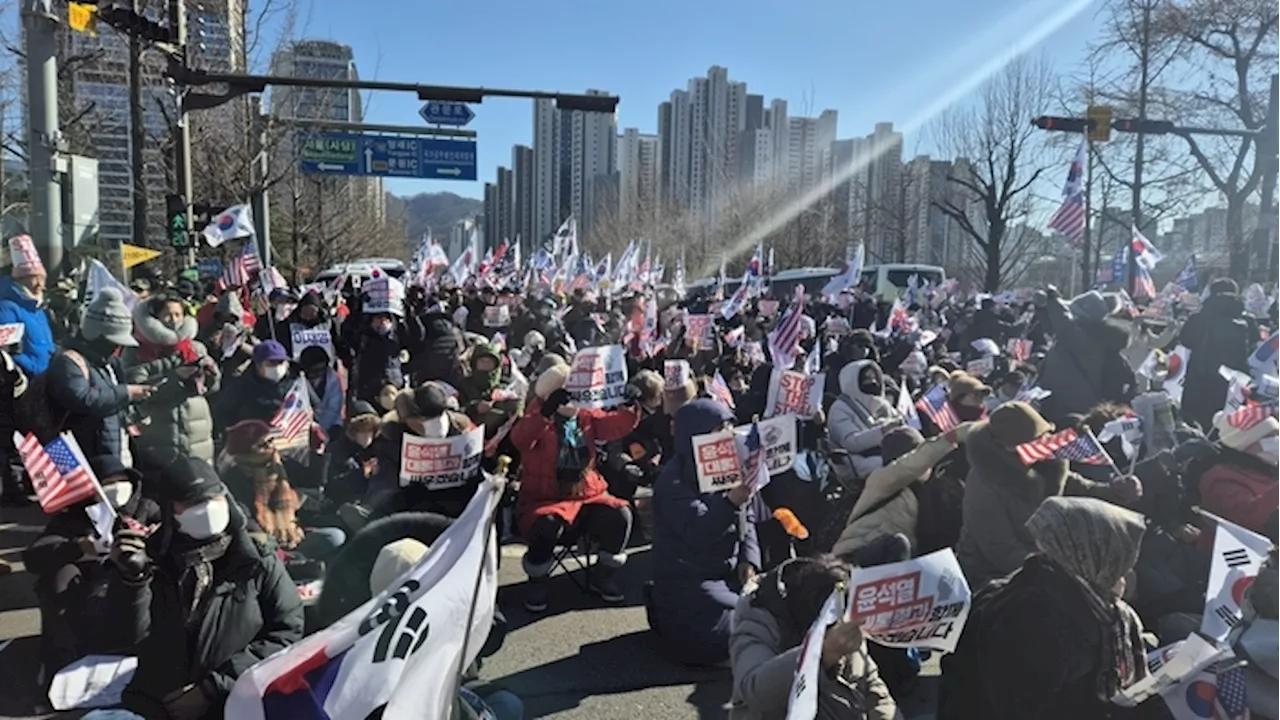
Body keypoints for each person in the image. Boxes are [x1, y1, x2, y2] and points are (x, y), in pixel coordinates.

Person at [96, 457, 304, 719]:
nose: (206, 508)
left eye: (213, 498)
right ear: (171, 509)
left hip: (236, 701)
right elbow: (125, 639)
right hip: (160, 704)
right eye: (193, 502)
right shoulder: (153, 560)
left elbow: (287, 630)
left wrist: (213, 687)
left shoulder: (256, 560)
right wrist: (133, 581)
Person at [939, 497, 1154, 720]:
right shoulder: (1030, 616)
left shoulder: (1090, 600)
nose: (1123, 576)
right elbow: (1020, 708)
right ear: (1091, 555)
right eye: (1116, 563)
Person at [956, 401, 1143, 590]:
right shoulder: (983, 487)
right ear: (1009, 447)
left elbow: (1075, 486)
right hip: (993, 575)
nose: (1046, 443)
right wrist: (1068, 575)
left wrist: (1112, 491)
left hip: (1048, 551)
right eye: (1037, 439)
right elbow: (1003, 552)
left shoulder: (1040, 461)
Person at [511, 364, 639, 612]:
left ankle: (604, 575)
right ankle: (537, 580)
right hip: (544, 499)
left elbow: (616, 425)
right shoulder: (536, 415)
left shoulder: (586, 416)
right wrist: (545, 414)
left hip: (587, 495)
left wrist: (629, 404)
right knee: (545, 524)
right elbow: (521, 439)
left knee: (620, 514)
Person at [24, 455, 161, 679]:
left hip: (136, 582)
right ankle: (61, 655)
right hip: (89, 585)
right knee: (59, 578)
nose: (116, 488)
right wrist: (77, 547)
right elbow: (34, 557)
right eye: (107, 483)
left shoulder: (147, 508)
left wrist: (153, 539)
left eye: (121, 480)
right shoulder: (73, 518)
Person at [647, 399, 760, 667]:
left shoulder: (730, 467)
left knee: (765, 616)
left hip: (726, 572)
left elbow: (749, 516)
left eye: (729, 427)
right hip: (687, 578)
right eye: (718, 428)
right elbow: (699, 531)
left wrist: (749, 559)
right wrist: (730, 501)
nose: (727, 435)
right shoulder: (672, 480)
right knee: (725, 635)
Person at [729, 555, 897, 720]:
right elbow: (753, 691)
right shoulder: (759, 619)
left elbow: (872, 686)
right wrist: (820, 654)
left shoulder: (845, 612)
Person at [48, 287, 154, 465]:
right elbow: (83, 399)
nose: (116, 348)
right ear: (95, 335)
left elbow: (113, 396)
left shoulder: (111, 363)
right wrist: (126, 393)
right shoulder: (68, 362)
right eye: (113, 342)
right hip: (85, 455)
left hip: (115, 446)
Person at [221, 420, 346, 564]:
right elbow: (244, 518)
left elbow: (311, 480)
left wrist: (317, 451)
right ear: (246, 450)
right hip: (265, 543)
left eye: (271, 440)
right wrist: (271, 545)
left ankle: (297, 562)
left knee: (336, 536)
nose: (270, 446)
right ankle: (289, 564)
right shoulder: (235, 476)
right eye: (263, 444)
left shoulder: (278, 462)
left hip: (293, 532)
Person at [124, 294, 220, 468]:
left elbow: (213, 388)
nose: (174, 320)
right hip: (159, 434)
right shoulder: (136, 350)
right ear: (154, 317)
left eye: (178, 314)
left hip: (197, 432)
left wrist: (211, 373)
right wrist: (176, 377)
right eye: (168, 315)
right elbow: (137, 390)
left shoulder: (194, 347)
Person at [1179, 278, 1256, 431]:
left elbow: (1186, 341)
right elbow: (1254, 347)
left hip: (1200, 377)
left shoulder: (1198, 318)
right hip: (1235, 379)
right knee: (1233, 421)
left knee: (1198, 421)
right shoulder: (1247, 319)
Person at [1197, 409, 1280, 543]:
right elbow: (1245, 520)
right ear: (1246, 443)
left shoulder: (1269, 471)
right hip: (1227, 558)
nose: (1277, 442)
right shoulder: (1220, 478)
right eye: (1269, 437)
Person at [828, 359, 904, 478]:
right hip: (855, 460)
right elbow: (851, 443)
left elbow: (897, 422)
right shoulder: (840, 408)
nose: (872, 381)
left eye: (874, 377)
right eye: (866, 378)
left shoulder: (882, 404)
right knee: (893, 465)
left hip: (884, 452)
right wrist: (882, 431)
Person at [0, 234, 55, 376]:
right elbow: (7, 349)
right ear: (21, 279)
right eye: (34, 278)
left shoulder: (38, 308)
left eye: (42, 279)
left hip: (47, 380)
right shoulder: (6, 308)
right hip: (27, 382)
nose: (40, 285)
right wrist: (32, 369)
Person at [214, 340, 293, 429]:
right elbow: (222, 414)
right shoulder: (240, 388)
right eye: (272, 363)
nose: (277, 367)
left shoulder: (294, 385)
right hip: (253, 439)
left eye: (281, 362)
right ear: (258, 365)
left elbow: (309, 406)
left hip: (289, 438)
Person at [299, 345, 343, 434]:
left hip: (330, 423)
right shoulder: (297, 380)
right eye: (315, 370)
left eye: (322, 369)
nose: (319, 373)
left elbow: (333, 409)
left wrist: (321, 431)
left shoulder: (332, 378)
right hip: (304, 425)